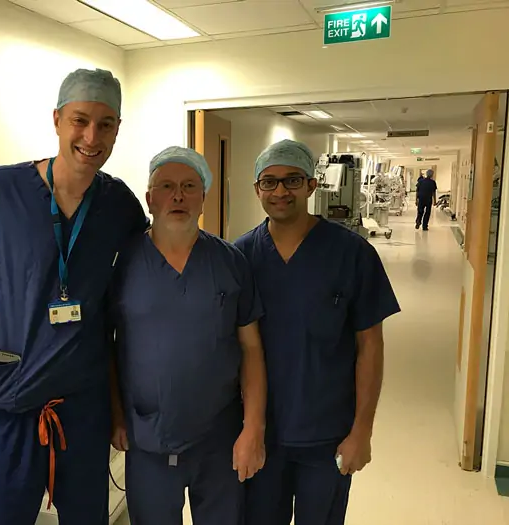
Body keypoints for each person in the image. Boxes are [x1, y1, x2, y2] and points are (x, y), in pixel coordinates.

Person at [0, 68, 148, 525]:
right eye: (80, 120)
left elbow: (148, 275)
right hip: (9, 400)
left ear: (117, 130)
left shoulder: (118, 205)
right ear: (57, 120)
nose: (91, 137)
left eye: (105, 124)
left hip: (82, 405)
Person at [235, 140, 401, 525]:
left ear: (312, 185)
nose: (280, 191)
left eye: (292, 180)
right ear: (257, 189)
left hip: (328, 433)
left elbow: (370, 346)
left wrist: (362, 432)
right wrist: (246, 429)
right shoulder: (241, 257)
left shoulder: (353, 253)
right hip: (262, 433)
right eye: (269, 182)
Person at [109, 146, 268, 525]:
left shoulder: (230, 261)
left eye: (189, 186)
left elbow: (251, 348)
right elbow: (106, 346)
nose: (177, 196)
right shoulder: (121, 263)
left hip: (219, 439)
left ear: (203, 198)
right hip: (148, 437)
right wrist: (115, 415)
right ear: (149, 199)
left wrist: (253, 428)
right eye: (166, 186)